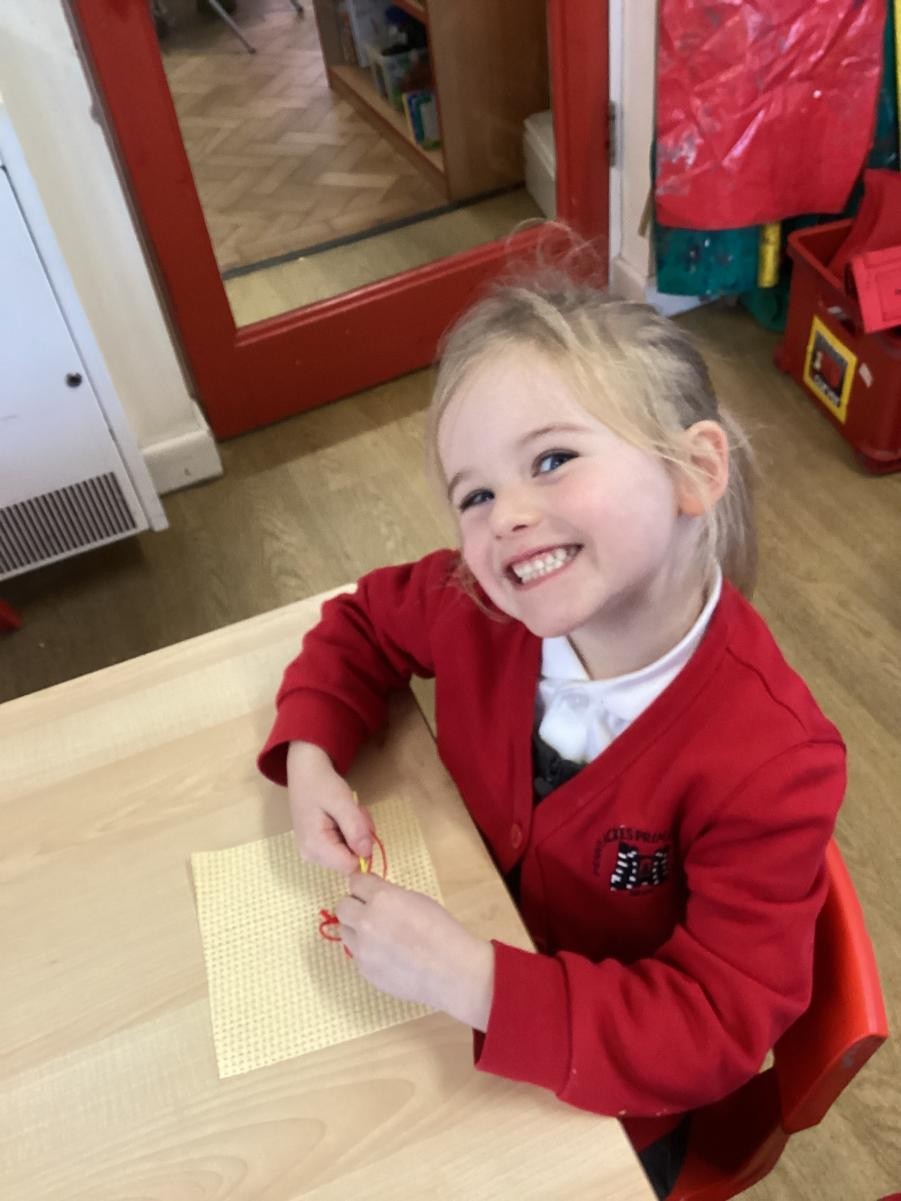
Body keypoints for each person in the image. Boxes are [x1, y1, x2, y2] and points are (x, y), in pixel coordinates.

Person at [257, 279, 845, 1199]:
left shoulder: (772, 761)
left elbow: (716, 1027)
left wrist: (476, 981)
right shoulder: (480, 607)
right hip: (451, 995)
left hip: (607, 1104)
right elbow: (363, 623)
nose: (505, 516)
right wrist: (311, 756)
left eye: (552, 459)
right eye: (475, 493)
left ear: (693, 470)